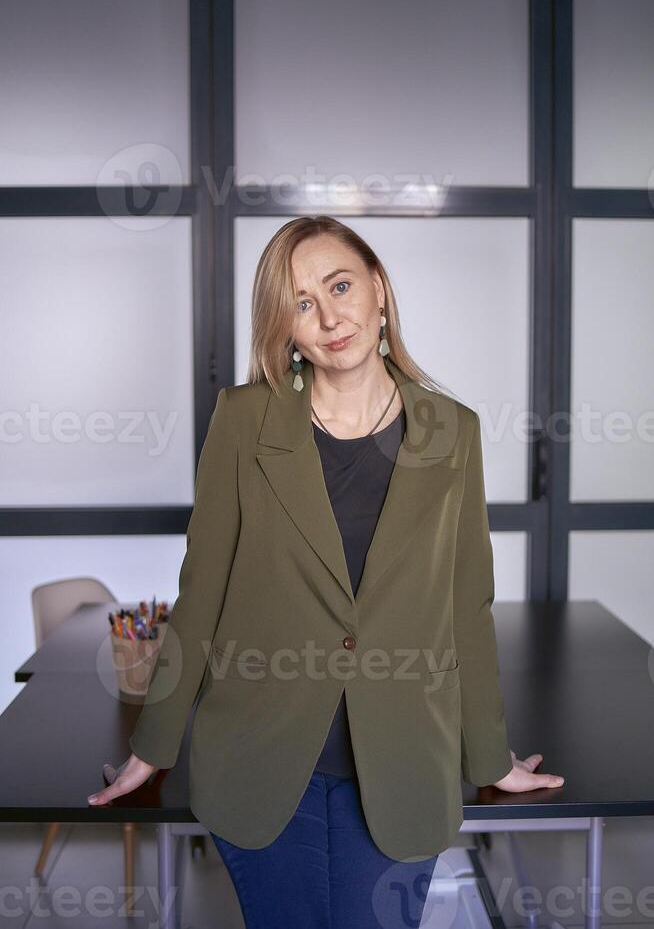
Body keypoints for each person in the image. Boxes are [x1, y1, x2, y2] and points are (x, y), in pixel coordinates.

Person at [88, 216, 564, 928]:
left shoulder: (452, 430)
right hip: (262, 757)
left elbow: (468, 605)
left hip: (405, 763)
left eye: (339, 286)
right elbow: (203, 590)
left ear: (377, 288)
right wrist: (152, 745)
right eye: (301, 304)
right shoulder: (244, 420)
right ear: (286, 330)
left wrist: (489, 757)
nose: (329, 317)